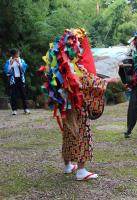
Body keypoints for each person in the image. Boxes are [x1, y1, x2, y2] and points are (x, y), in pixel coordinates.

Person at [40, 28, 117, 180]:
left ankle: (68, 165)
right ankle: (81, 170)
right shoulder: (76, 68)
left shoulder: (61, 65)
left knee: (68, 134)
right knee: (83, 135)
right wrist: (110, 80)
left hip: (65, 106)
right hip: (77, 106)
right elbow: (92, 82)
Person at [4, 49, 30, 115]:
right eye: (17, 53)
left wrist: (19, 63)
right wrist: (11, 64)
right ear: (13, 54)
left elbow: (24, 69)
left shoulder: (21, 60)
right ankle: (14, 110)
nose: (18, 54)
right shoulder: (9, 61)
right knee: (13, 95)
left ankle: (26, 109)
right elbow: (7, 71)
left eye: (18, 53)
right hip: (13, 80)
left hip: (21, 79)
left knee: (23, 94)